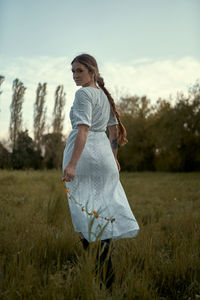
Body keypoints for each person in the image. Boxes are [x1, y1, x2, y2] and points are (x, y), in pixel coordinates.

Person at [62, 53, 139, 288]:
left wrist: (72, 164)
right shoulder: (104, 96)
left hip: (85, 157)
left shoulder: (84, 93)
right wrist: (113, 159)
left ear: (92, 71)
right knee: (102, 211)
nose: (75, 76)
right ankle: (106, 275)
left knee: (83, 211)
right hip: (104, 156)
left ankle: (98, 271)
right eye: (73, 71)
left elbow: (83, 130)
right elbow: (113, 132)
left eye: (80, 71)